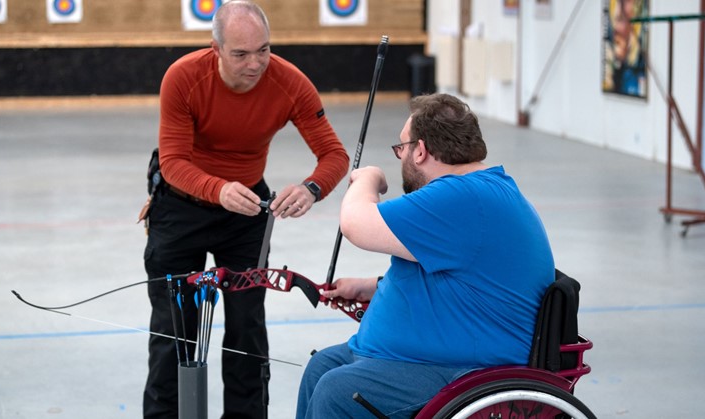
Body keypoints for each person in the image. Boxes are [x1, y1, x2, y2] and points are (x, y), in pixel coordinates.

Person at [142, 1, 349, 418]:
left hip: (248, 212)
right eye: (240, 54)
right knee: (173, 329)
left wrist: (312, 188)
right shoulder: (184, 77)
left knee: (247, 328)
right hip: (180, 208)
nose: (255, 64)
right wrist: (217, 190)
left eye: (264, 50)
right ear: (215, 48)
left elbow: (334, 155)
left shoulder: (289, 83)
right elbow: (175, 162)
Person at [296, 93, 555, 418]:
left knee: (337, 392)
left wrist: (368, 179)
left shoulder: (460, 196)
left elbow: (355, 224)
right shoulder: (476, 190)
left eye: (401, 148)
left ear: (420, 150)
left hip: (467, 370)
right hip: (437, 358)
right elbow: (466, 277)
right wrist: (372, 286)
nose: (400, 155)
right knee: (322, 368)